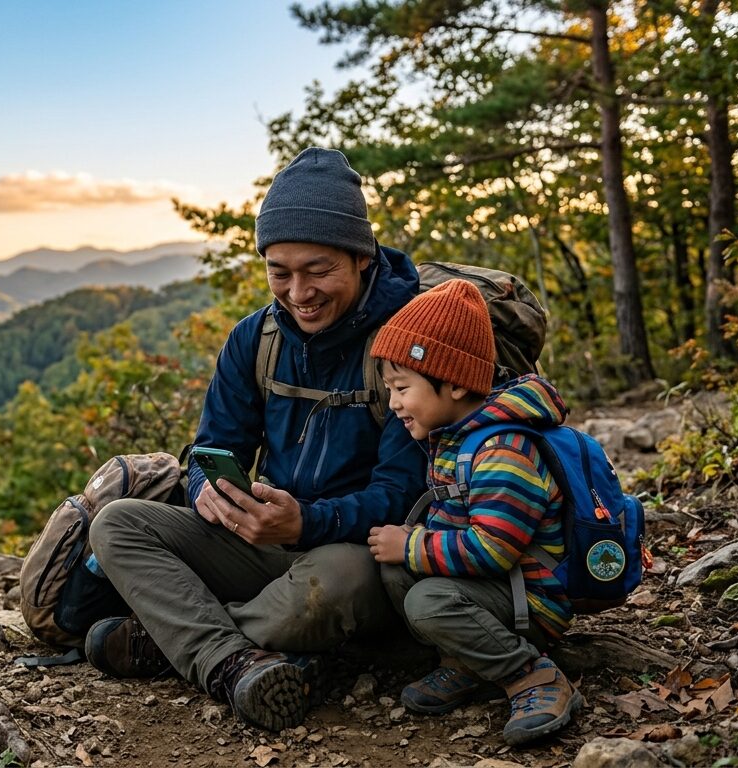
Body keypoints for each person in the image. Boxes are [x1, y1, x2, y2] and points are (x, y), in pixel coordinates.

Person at [85, 147, 427, 732]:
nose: (298, 292)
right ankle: (236, 661)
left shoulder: (408, 340)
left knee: (328, 587)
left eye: (318, 269)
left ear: (362, 258)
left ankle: (180, 641)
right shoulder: (255, 339)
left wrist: (306, 524)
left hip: (361, 550)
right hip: (265, 540)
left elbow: (405, 492)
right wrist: (208, 492)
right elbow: (211, 447)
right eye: (279, 271)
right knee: (116, 522)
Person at [366, 279, 583, 747]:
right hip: (500, 586)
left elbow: (493, 550)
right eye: (389, 389)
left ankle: (533, 675)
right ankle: (467, 661)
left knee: (426, 600)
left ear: (457, 383)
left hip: (534, 597)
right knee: (395, 575)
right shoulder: (457, 437)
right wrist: (408, 552)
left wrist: (412, 544)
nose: (395, 403)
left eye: (402, 387)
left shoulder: (503, 449)